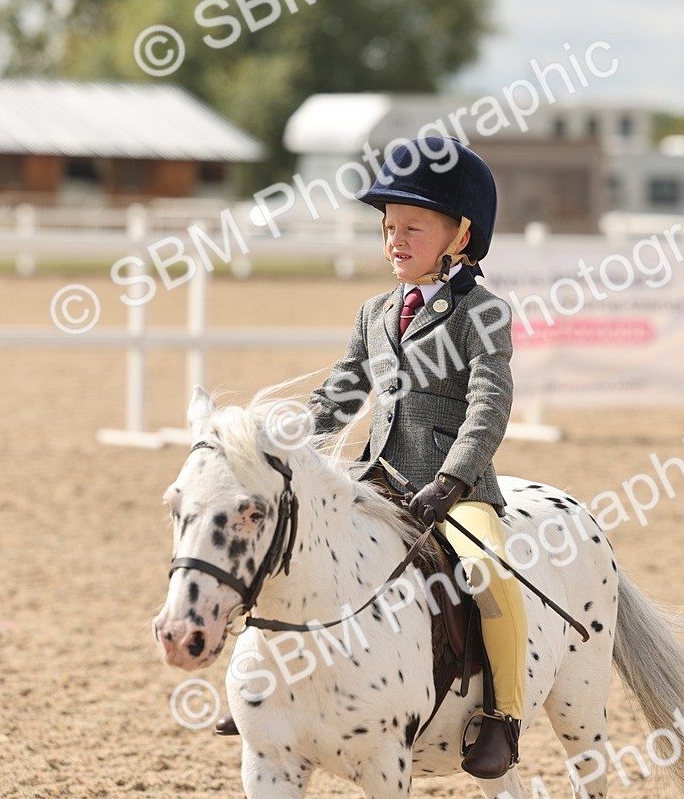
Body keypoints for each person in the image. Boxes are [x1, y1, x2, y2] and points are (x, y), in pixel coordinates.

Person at [216, 137, 528, 779]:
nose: (395, 240)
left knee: (490, 573)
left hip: (455, 489)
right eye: (389, 227)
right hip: (376, 477)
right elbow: (342, 391)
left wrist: (453, 479)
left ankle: (502, 713)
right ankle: (260, 681)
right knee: (287, 536)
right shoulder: (375, 313)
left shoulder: (483, 313)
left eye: (413, 227)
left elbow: (489, 404)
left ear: (461, 234)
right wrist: (287, 440)